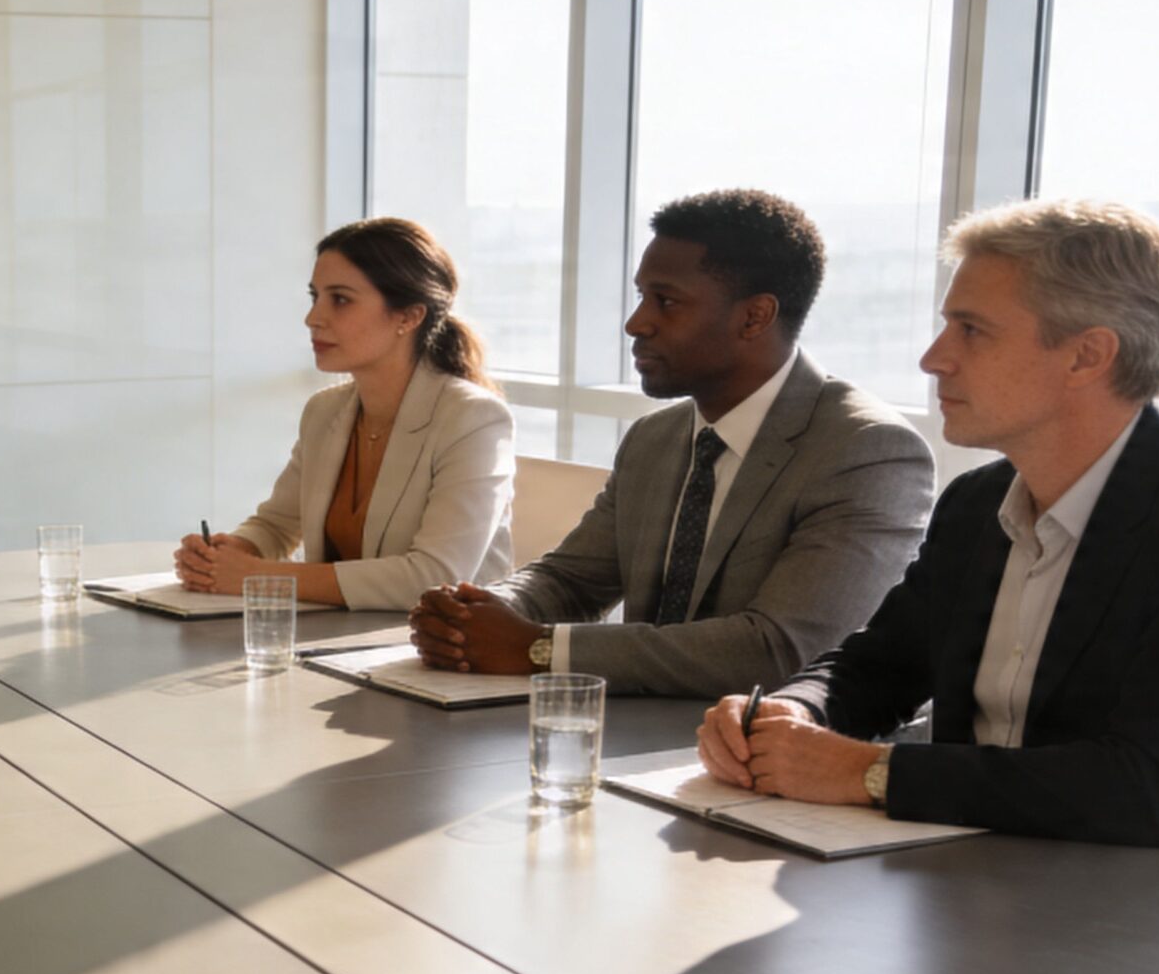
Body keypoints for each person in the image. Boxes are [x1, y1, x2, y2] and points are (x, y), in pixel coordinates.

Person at [697, 200, 1159, 875]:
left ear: (1087, 355)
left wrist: (873, 773)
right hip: (980, 876)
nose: (934, 359)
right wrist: (784, 715)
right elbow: (878, 667)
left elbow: (1147, 790)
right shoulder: (976, 502)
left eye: (971, 330)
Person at [408, 189, 934, 697]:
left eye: (666, 301)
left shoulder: (867, 451)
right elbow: (572, 580)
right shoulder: (653, 438)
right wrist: (474, 610)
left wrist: (542, 649)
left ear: (755, 316)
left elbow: (780, 649)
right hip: (633, 733)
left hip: (761, 760)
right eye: (641, 296)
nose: (636, 323)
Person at [174, 218, 514, 609]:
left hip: (445, 655)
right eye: (314, 296)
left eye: (340, 299)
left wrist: (255, 576)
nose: (313, 318)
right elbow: (278, 524)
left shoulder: (475, 419)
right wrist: (226, 552)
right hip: (337, 642)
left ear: (408, 316)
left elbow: (435, 576)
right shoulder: (325, 411)